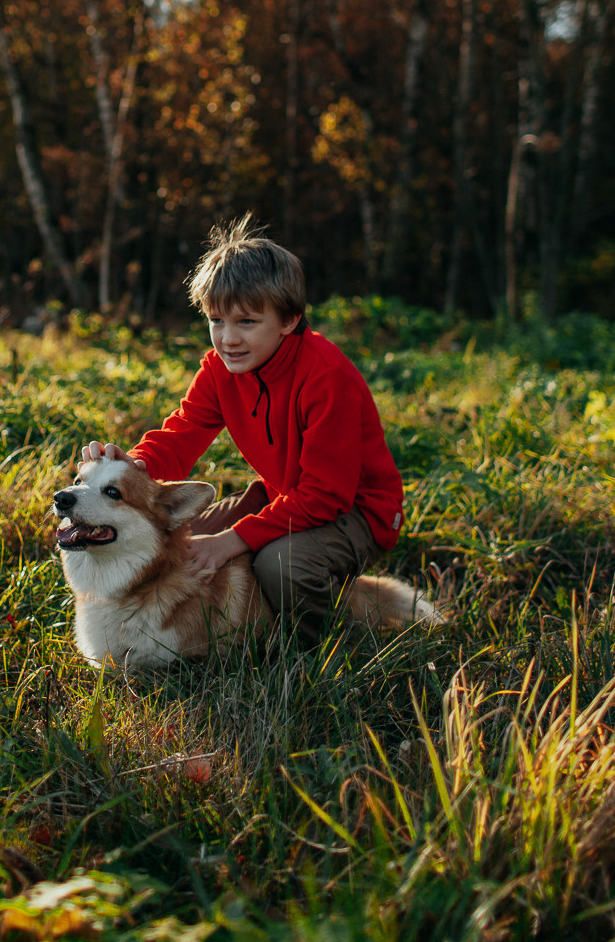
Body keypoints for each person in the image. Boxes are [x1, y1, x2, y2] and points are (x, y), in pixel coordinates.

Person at [81, 216, 405, 647]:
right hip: (284, 496)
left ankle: (313, 648)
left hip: (355, 512)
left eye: (247, 322)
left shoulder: (327, 376)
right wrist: (134, 466)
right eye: (217, 321)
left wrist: (234, 540)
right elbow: (184, 430)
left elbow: (328, 495)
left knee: (278, 564)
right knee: (177, 542)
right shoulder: (221, 369)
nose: (228, 339)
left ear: (288, 320)